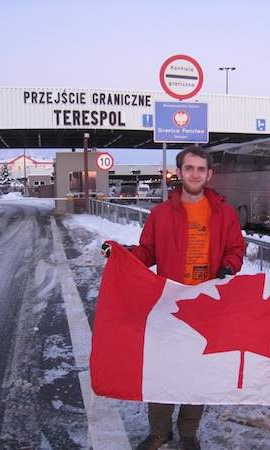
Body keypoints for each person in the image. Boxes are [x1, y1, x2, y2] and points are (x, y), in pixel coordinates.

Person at [102, 144, 245, 450]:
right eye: (189, 168)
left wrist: (229, 265)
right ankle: (159, 432)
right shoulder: (161, 214)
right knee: (162, 370)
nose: (195, 174)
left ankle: (189, 433)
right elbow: (148, 251)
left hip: (206, 307)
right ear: (179, 172)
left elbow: (236, 249)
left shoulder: (224, 213)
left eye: (201, 169)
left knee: (197, 372)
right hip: (169, 305)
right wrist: (123, 255)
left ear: (209, 174)